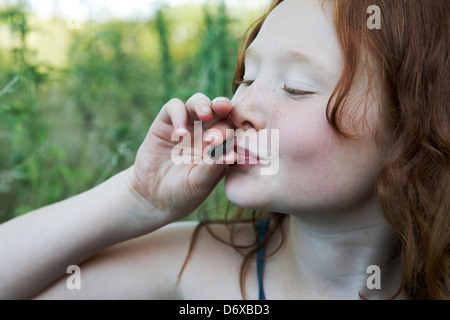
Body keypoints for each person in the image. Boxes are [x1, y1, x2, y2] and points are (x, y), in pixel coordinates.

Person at [0, 0, 448, 300]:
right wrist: (137, 199)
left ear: (415, 134)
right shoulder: (193, 266)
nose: (239, 106)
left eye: (296, 88)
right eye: (248, 78)